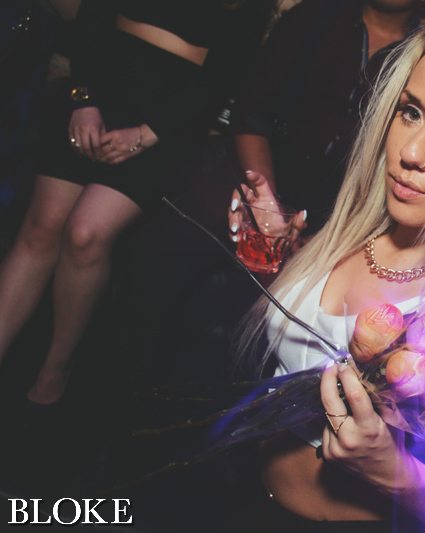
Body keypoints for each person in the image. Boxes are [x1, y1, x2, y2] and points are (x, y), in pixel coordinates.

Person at [228, 17, 425, 531]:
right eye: (411, 111)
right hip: (240, 492)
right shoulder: (349, 235)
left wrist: (393, 471)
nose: (411, 152)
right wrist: (268, 251)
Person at [0, 0, 270, 405]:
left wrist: (149, 132)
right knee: (41, 227)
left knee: (84, 233)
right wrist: (83, 98)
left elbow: (226, 73)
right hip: (99, 93)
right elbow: (93, 16)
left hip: (170, 122)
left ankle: (56, 368)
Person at [230, 0, 425, 235]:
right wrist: (267, 204)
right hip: (270, 177)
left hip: (347, 218)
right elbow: (250, 111)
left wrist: (337, 238)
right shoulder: (313, 16)